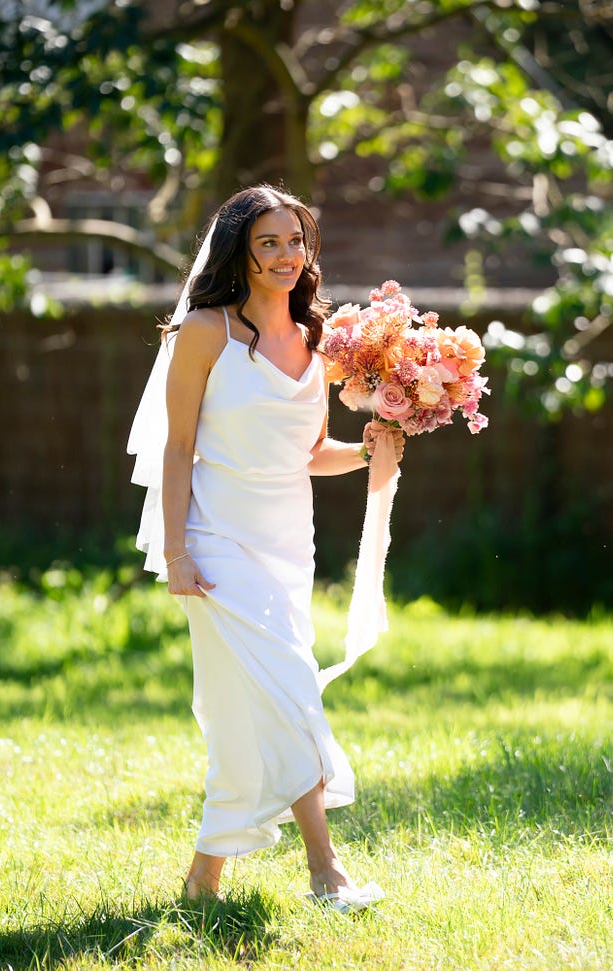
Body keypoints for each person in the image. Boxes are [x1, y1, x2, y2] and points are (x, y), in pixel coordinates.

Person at [127, 184, 403, 908]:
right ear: (242, 256)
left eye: (295, 242)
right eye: (269, 244)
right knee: (289, 689)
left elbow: (307, 452)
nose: (286, 256)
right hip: (215, 541)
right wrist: (178, 551)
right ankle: (325, 870)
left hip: (287, 540)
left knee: (246, 708)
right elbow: (179, 445)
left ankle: (203, 880)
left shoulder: (319, 341)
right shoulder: (203, 334)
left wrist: (370, 446)